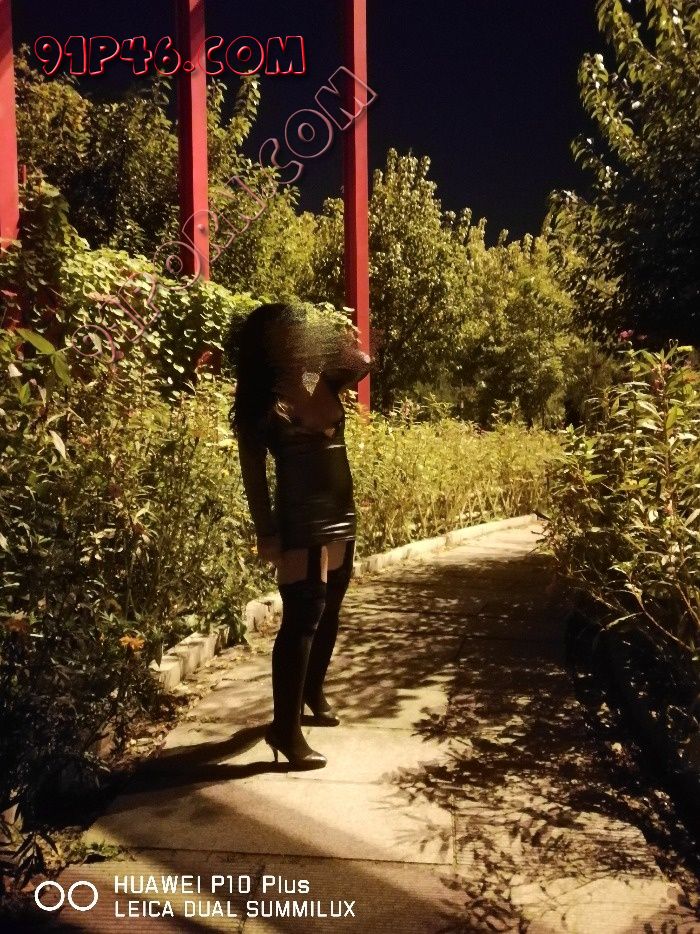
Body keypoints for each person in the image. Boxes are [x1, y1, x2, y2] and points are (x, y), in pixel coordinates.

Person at [227, 302, 372, 770]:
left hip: (340, 509)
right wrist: (266, 532)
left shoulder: (312, 379)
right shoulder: (264, 400)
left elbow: (362, 362)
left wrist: (327, 341)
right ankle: (285, 730)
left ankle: (312, 692)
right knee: (304, 613)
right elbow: (254, 476)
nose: (300, 339)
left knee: (331, 606)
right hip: (300, 516)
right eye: (290, 334)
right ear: (269, 345)